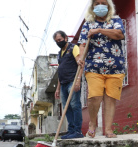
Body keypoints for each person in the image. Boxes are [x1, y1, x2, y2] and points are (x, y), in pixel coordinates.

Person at [78, 0, 126, 138]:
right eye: (97, 3)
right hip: (94, 66)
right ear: (92, 6)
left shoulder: (115, 20)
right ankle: (93, 124)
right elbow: (82, 44)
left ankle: (109, 129)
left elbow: (119, 34)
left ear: (108, 6)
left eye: (103, 3)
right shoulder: (87, 24)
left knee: (110, 98)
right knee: (95, 97)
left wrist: (99, 30)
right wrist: (81, 57)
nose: (100, 5)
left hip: (115, 67)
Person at [54, 30, 84, 139]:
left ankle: (77, 131)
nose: (58, 42)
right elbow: (60, 71)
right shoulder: (59, 54)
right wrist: (57, 88)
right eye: (56, 41)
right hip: (63, 84)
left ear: (66, 38)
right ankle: (71, 131)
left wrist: (78, 80)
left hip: (72, 80)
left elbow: (80, 64)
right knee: (67, 108)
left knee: (75, 105)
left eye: (60, 40)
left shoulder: (73, 48)